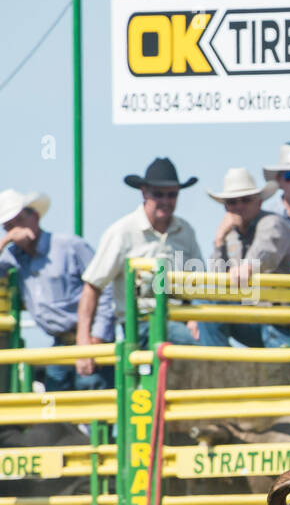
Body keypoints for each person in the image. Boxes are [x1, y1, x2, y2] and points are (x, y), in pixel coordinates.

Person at [77, 157, 203, 368]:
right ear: (144, 193)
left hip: (178, 320)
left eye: (172, 195)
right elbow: (92, 286)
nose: (166, 200)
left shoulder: (185, 231)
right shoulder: (122, 232)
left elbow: (197, 283)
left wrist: (194, 319)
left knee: (208, 339)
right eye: (158, 194)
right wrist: (83, 342)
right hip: (141, 324)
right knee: (198, 351)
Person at [0, 190, 113, 391]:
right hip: (60, 345)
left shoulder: (70, 246)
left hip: (88, 339)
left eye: (19, 220)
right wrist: (5, 242)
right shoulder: (13, 256)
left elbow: (104, 287)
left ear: (34, 216)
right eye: (8, 226)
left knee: (93, 401)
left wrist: (96, 338)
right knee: (56, 408)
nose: (15, 229)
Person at [200, 167, 290, 349]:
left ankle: (223, 366)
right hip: (257, 317)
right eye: (232, 202)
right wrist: (218, 241)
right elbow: (216, 285)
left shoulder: (272, 223)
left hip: (285, 321)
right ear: (226, 207)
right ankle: (219, 368)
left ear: (258, 202)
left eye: (246, 200)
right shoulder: (229, 236)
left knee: (285, 372)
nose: (239, 206)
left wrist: (246, 267)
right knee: (204, 302)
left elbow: (264, 253)